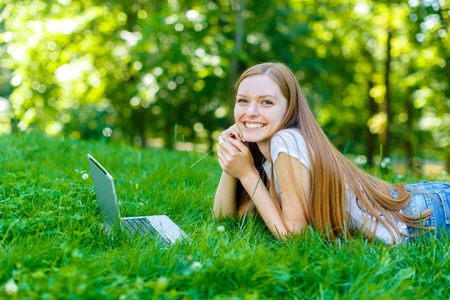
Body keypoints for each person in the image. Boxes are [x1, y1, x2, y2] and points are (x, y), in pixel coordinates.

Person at [213, 62, 450, 245]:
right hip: (420, 198)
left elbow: (294, 238)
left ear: (289, 108)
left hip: (428, 213)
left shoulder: (286, 140)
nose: (251, 111)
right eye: (243, 101)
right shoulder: (264, 151)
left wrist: (246, 174)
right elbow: (225, 219)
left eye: (266, 102)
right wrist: (232, 162)